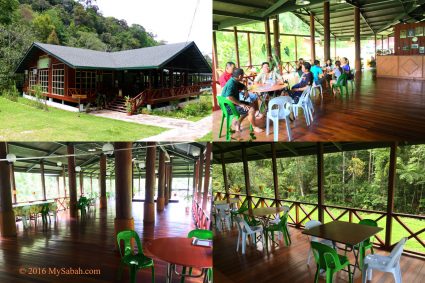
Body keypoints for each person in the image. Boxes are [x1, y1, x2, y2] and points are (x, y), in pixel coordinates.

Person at [221, 68, 264, 133]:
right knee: (251, 109)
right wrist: (241, 104)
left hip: (232, 103)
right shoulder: (231, 84)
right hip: (229, 107)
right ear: (240, 76)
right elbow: (229, 97)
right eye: (243, 75)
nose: (243, 76)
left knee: (251, 104)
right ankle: (254, 127)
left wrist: (246, 91)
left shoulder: (234, 81)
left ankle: (238, 122)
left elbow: (243, 86)